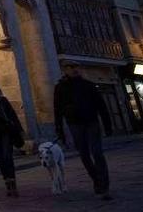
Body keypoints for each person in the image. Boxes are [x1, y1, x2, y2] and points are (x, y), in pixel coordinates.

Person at [54, 60, 114, 200]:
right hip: (74, 124)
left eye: (75, 67)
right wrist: (59, 130)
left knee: (97, 153)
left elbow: (101, 106)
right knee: (84, 155)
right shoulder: (60, 88)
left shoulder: (88, 85)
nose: (74, 69)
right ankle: (96, 179)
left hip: (91, 122)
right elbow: (57, 109)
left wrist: (107, 125)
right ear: (65, 70)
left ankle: (104, 186)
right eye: (70, 67)